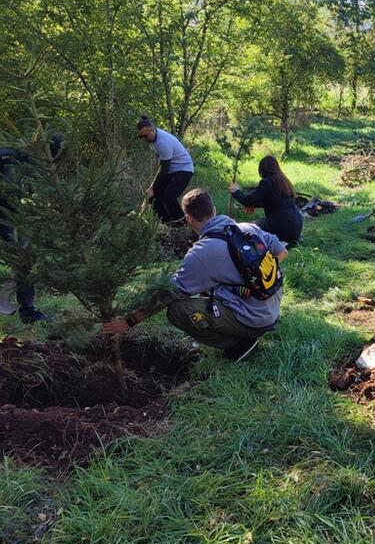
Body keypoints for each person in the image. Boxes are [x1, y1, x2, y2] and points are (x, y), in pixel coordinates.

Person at [102, 187, 287, 361]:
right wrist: (252, 279)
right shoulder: (248, 228)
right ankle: (246, 323)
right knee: (209, 290)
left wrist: (128, 322)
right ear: (214, 211)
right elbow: (282, 252)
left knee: (177, 311)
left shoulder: (201, 253)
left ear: (188, 219)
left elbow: (169, 293)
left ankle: (240, 344)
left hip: (254, 318)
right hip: (271, 306)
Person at [0, 134, 64, 345]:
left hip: (5, 204)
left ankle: (28, 311)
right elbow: (7, 193)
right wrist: (20, 218)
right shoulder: (14, 160)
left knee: (24, 258)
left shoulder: (37, 162)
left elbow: (29, 192)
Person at [228, 155, 303, 245]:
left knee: (246, 228)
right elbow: (275, 201)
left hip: (280, 225)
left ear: (262, 169)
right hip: (295, 226)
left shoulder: (267, 182)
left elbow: (248, 200)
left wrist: (235, 191)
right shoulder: (284, 181)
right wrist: (254, 204)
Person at [137, 115, 194, 225]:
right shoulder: (152, 139)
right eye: (141, 137)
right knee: (153, 197)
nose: (144, 139)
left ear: (152, 130)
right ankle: (166, 223)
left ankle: (182, 224)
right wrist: (153, 188)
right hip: (172, 169)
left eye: (145, 136)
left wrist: (152, 186)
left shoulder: (163, 143)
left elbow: (164, 169)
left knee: (169, 197)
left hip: (183, 169)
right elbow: (163, 165)